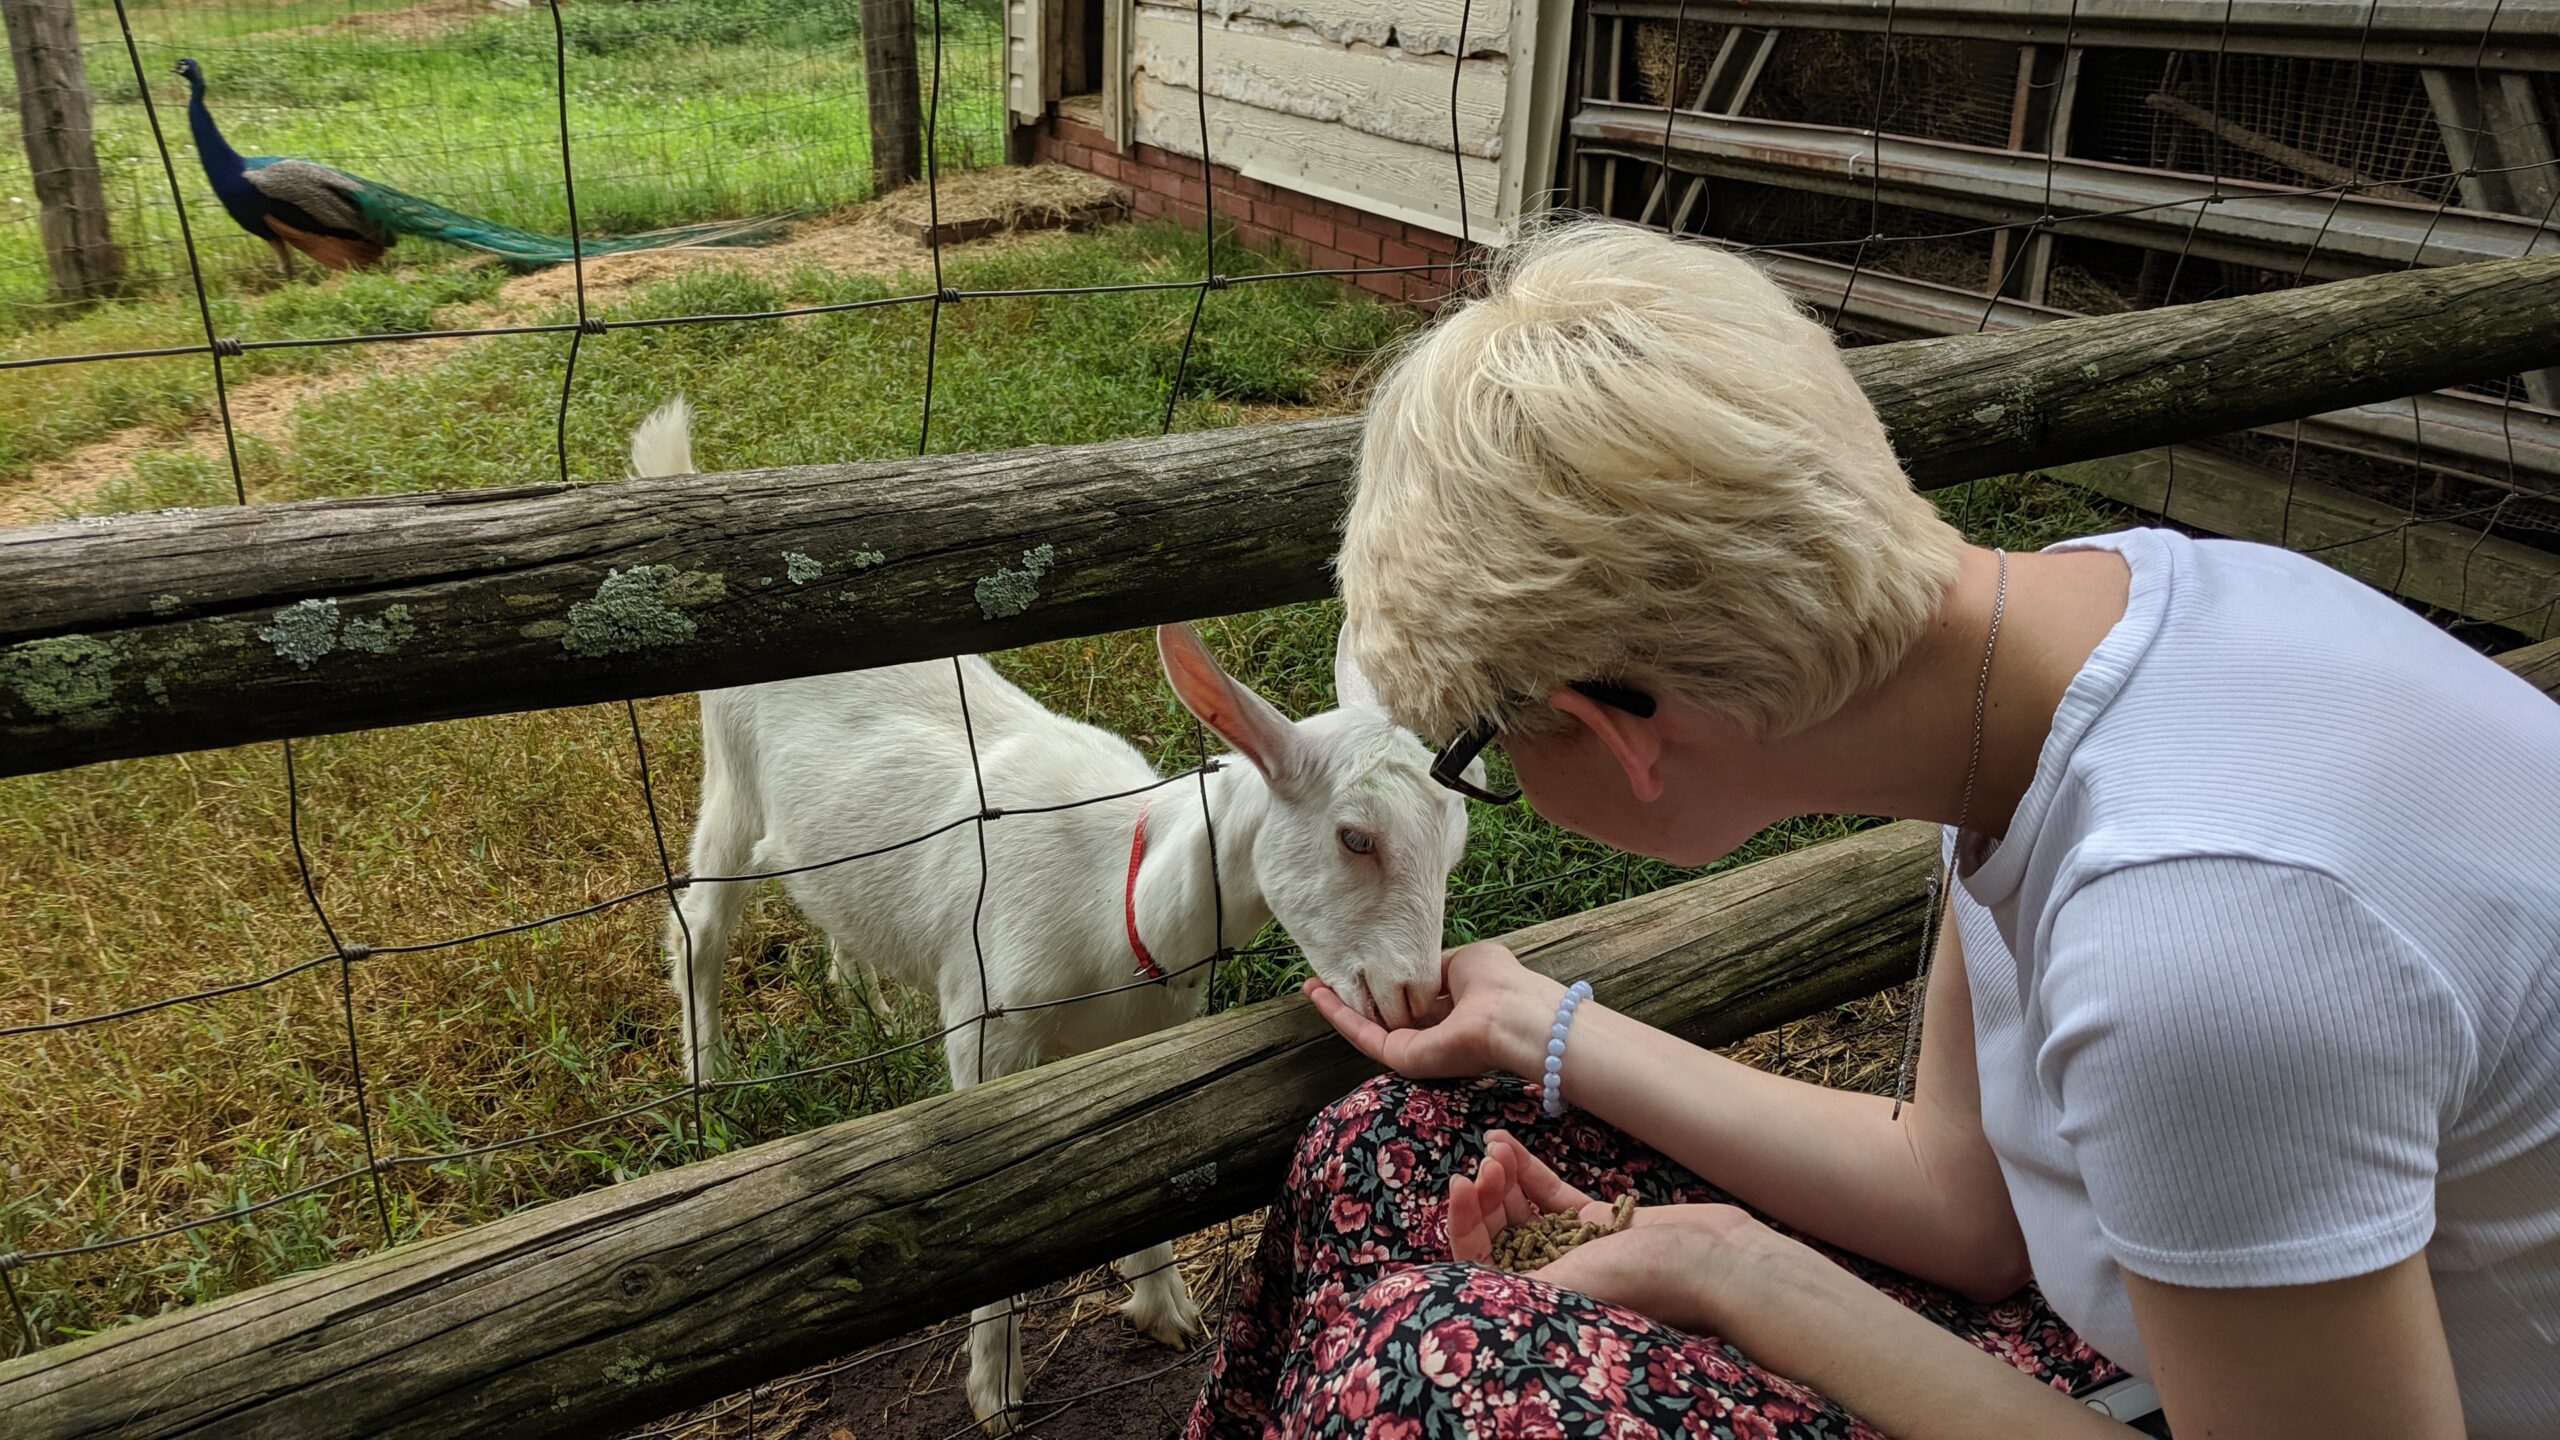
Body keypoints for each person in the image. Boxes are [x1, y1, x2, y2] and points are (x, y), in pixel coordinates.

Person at [1182, 218, 2560, 1440]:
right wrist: (1541, 1025)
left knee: (1442, 1364)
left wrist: (1735, 1268)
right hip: (2183, 1332)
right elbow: (1967, 1201)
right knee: (1382, 1154)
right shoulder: (2075, 643)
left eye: (1481, 753)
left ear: (1618, 729)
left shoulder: (2192, 939)